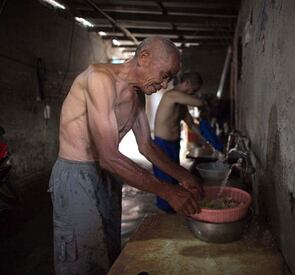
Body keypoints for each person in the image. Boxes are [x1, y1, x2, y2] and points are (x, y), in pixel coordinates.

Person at [48, 37, 202, 275]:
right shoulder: (99, 79)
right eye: (164, 75)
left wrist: (184, 177)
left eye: (169, 78)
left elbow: (146, 146)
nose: (164, 85)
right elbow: (108, 156)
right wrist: (168, 190)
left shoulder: (137, 95)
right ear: (143, 58)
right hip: (76, 175)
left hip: (108, 177)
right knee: (81, 259)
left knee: (108, 248)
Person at [152, 72, 204, 213]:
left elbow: (191, 124)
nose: (192, 94)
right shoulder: (171, 95)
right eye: (193, 91)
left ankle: (173, 211)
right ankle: (164, 217)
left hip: (174, 145)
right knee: (164, 182)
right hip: (162, 145)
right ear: (186, 83)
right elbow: (199, 102)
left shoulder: (181, 104)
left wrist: (206, 138)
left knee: (175, 180)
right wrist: (208, 102)